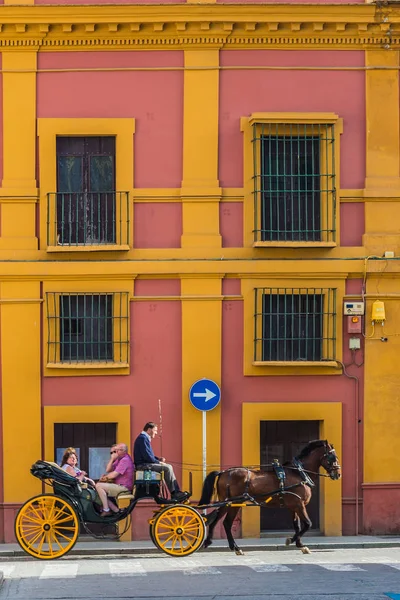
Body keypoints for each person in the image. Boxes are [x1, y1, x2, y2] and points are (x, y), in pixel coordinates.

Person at [133, 422, 189, 502]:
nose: (156, 433)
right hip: (143, 466)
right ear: (149, 430)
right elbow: (147, 457)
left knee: (168, 466)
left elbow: (148, 455)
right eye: (155, 430)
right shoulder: (142, 438)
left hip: (144, 464)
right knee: (167, 468)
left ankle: (175, 492)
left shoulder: (143, 438)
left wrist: (158, 459)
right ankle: (175, 493)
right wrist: (158, 462)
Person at [95, 443, 134, 517]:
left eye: (116, 451)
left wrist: (105, 478)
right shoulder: (120, 459)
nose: (114, 453)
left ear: (122, 451)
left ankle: (106, 510)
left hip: (124, 487)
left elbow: (114, 474)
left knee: (99, 486)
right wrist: (112, 459)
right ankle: (116, 510)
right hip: (119, 485)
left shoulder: (125, 460)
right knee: (98, 491)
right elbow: (108, 469)